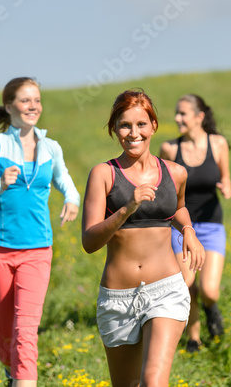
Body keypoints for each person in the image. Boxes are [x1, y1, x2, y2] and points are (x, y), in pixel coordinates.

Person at [0, 77, 80, 387]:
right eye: (25, 101)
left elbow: (65, 180)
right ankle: (12, 374)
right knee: (6, 330)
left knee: (26, 330)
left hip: (38, 250)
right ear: (10, 107)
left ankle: (23, 380)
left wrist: (72, 199)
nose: (33, 106)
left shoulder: (51, 147)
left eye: (36, 100)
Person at [82, 89, 205, 387]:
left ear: (153, 126)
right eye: (125, 125)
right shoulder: (103, 174)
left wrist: (188, 230)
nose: (133, 133)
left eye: (141, 124)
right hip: (117, 298)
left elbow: (177, 208)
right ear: (114, 130)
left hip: (166, 290)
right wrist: (126, 209)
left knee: (153, 382)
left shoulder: (175, 173)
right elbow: (90, 241)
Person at [160, 94, 231, 353]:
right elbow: (163, 185)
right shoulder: (169, 149)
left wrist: (226, 186)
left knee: (210, 291)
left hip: (212, 226)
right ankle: (194, 338)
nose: (177, 118)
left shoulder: (218, 144)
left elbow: (225, 176)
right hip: (181, 228)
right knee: (187, 285)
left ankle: (211, 310)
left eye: (183, 114)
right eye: (177, 114)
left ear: (199, 117)